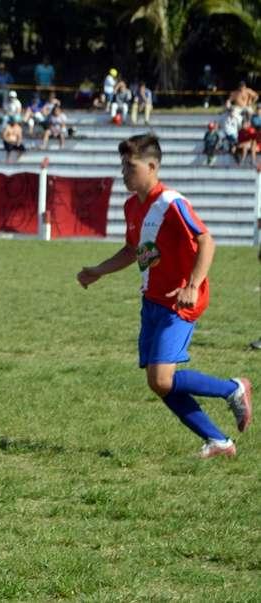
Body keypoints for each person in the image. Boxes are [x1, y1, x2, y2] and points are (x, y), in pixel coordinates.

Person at [76, 134, 252, 459]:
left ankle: (234, 388)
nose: (124, 173)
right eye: (122, 166)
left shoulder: (171, 203)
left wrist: (193, 285)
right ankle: (219, 441)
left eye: (131, 167)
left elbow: (206, 241)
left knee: (161, 378)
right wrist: (99, 270)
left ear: (152, 167)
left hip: (179, 301)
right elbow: (133, 250)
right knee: (158, 383)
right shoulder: (132, 206)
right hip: (152, 300)